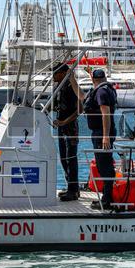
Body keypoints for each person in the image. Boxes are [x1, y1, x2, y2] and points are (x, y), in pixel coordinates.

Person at [83, 67, 117, 210]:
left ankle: (107, 200)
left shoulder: (102, 91)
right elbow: (83, 98)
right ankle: (107, 197)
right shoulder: (107, 88)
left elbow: (106, 114)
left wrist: (105, 137)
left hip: (101, 133)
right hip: (102, 132)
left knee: (104, 165)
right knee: (104, 164)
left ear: (93, 80)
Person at [52, 63, 83, 201]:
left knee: (71, 158)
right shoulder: (57, 87)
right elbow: (54, 105)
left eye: (56, 73)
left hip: (70, 128)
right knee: (63, 158)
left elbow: (80, 110)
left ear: (64, 73)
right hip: (61, 127)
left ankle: (73, 190)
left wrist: (65, 122)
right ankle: (71, 187)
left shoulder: (72, 88)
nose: (53, 76)